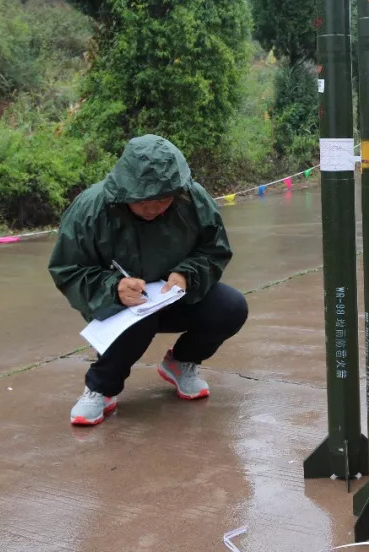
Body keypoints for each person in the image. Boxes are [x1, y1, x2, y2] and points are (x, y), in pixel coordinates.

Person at [48, 134, 248, 426]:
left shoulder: (193, 199)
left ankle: (181, 364)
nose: (154, 208)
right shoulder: (91, 209)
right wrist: (113, 288)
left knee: (232, 307)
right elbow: (68, 268)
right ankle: (101, 388)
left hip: (178, 297)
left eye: (165, 200)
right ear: (126, 189)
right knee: (139, 318)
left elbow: (213, 249)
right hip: (122, 307)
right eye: (144, 201)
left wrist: (187, 274)